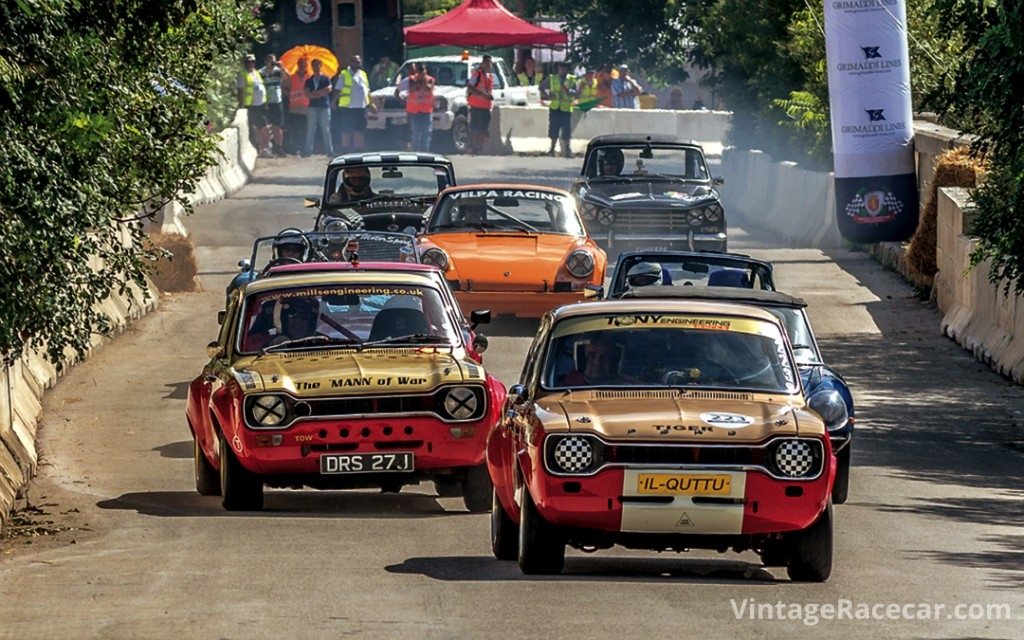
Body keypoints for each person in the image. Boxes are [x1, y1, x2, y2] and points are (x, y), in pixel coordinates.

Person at [560, 333, 638, 386]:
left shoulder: (630, 386)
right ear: (582, 358)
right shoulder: (567, 387)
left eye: (606, 356)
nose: (598, 362)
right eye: (592, 355)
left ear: (615, 361)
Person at [334, 55, 372, 153]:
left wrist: (371, 104)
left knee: (360, 130)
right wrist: (333, 101)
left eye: (359, 62)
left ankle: (358, 151)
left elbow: (367, 91)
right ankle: (345, 151)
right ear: (350, 62)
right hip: (348, 108)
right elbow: (338, 90)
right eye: (355, 62)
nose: (357, 64)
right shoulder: (344, 74)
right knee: (347, 131)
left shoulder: (363, 74)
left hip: (361, 108)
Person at [236, 53, 271, 157]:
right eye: (248, 62)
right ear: (245, 63)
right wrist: (241, 105)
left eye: (252, 62)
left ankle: (263, 148)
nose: (251, 64)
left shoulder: (256, 72)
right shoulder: (243, 74)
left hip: (260, 104)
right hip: (251, 105)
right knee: (262, 127)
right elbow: (240, 91)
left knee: (263, 127)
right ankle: (263, 148)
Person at [396, 62, 434, 152]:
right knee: (415, 134)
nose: (421, 72)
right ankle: (415, 151)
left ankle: (425, 152)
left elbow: (429, 88)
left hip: (426, 111)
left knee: (426, 133)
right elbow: (398, 89)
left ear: (426, 70)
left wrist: (423, 81)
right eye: (420, 70)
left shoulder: (430, 79)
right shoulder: (410, 80)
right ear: (417, 71)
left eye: (423, 70)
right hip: (414, 112)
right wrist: (401, 100)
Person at [542, 61, 575, 158]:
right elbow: (544, 87)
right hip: (555, 107)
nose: (562, 69)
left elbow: (575, 92)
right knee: (553, 128)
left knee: (566, 129)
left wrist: (568, 90)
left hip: (566, 108)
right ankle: (552, 148)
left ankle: (567, 148)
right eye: (560, 67)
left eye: (564, 67)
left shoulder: (571, 79)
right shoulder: (552, 78)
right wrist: (549, 94)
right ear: (558, 68)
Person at [302, 58, 334, 157]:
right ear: (312, 67)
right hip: (312, 107)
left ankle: (329, 151)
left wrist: (316, 94)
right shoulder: (309, 80)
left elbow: (328, 89)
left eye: (318, 65)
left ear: (321, 65)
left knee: (326, 129)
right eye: (314, 65)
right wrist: (318, 94)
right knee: (311, 129)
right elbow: (306, 93)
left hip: (324, 106)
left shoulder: (326, 78)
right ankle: (308, 151)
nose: (316, 67)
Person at [260, 53, 290, 156]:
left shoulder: (278, 71)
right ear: (266, 61)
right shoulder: (261, 72)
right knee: (266, 126)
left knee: (278, 126)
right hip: (266, 102)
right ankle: (267, 148)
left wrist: (282, 67)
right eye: (270, 61)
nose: (272, 63)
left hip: (277, 101)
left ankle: (279, 148)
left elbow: (286, 78)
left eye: (273, 61)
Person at [466, 55, 494, 155]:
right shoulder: (477, 74)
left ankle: (480, 148)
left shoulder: (489, 76)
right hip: (476, 106)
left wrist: (489, 96)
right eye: (486, 62)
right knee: (475, 129)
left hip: (486, 107)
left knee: (483, 129)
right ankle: (474, 148)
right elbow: (470, 87)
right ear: (482, 63)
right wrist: (482, 94)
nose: (488, 64)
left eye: (489, 63)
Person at [285, 57, 310, 155]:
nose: (302, 66)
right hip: (294, 107)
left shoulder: (309, 77)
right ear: (298, 65)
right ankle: (295, 148)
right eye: (301, 64)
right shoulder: (292, 77)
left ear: (306, 65)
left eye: (304, 64)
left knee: (304, 129)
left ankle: (304, 147)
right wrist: (289, 95)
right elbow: (285, 87)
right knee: (294, 129)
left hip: (306, 107)